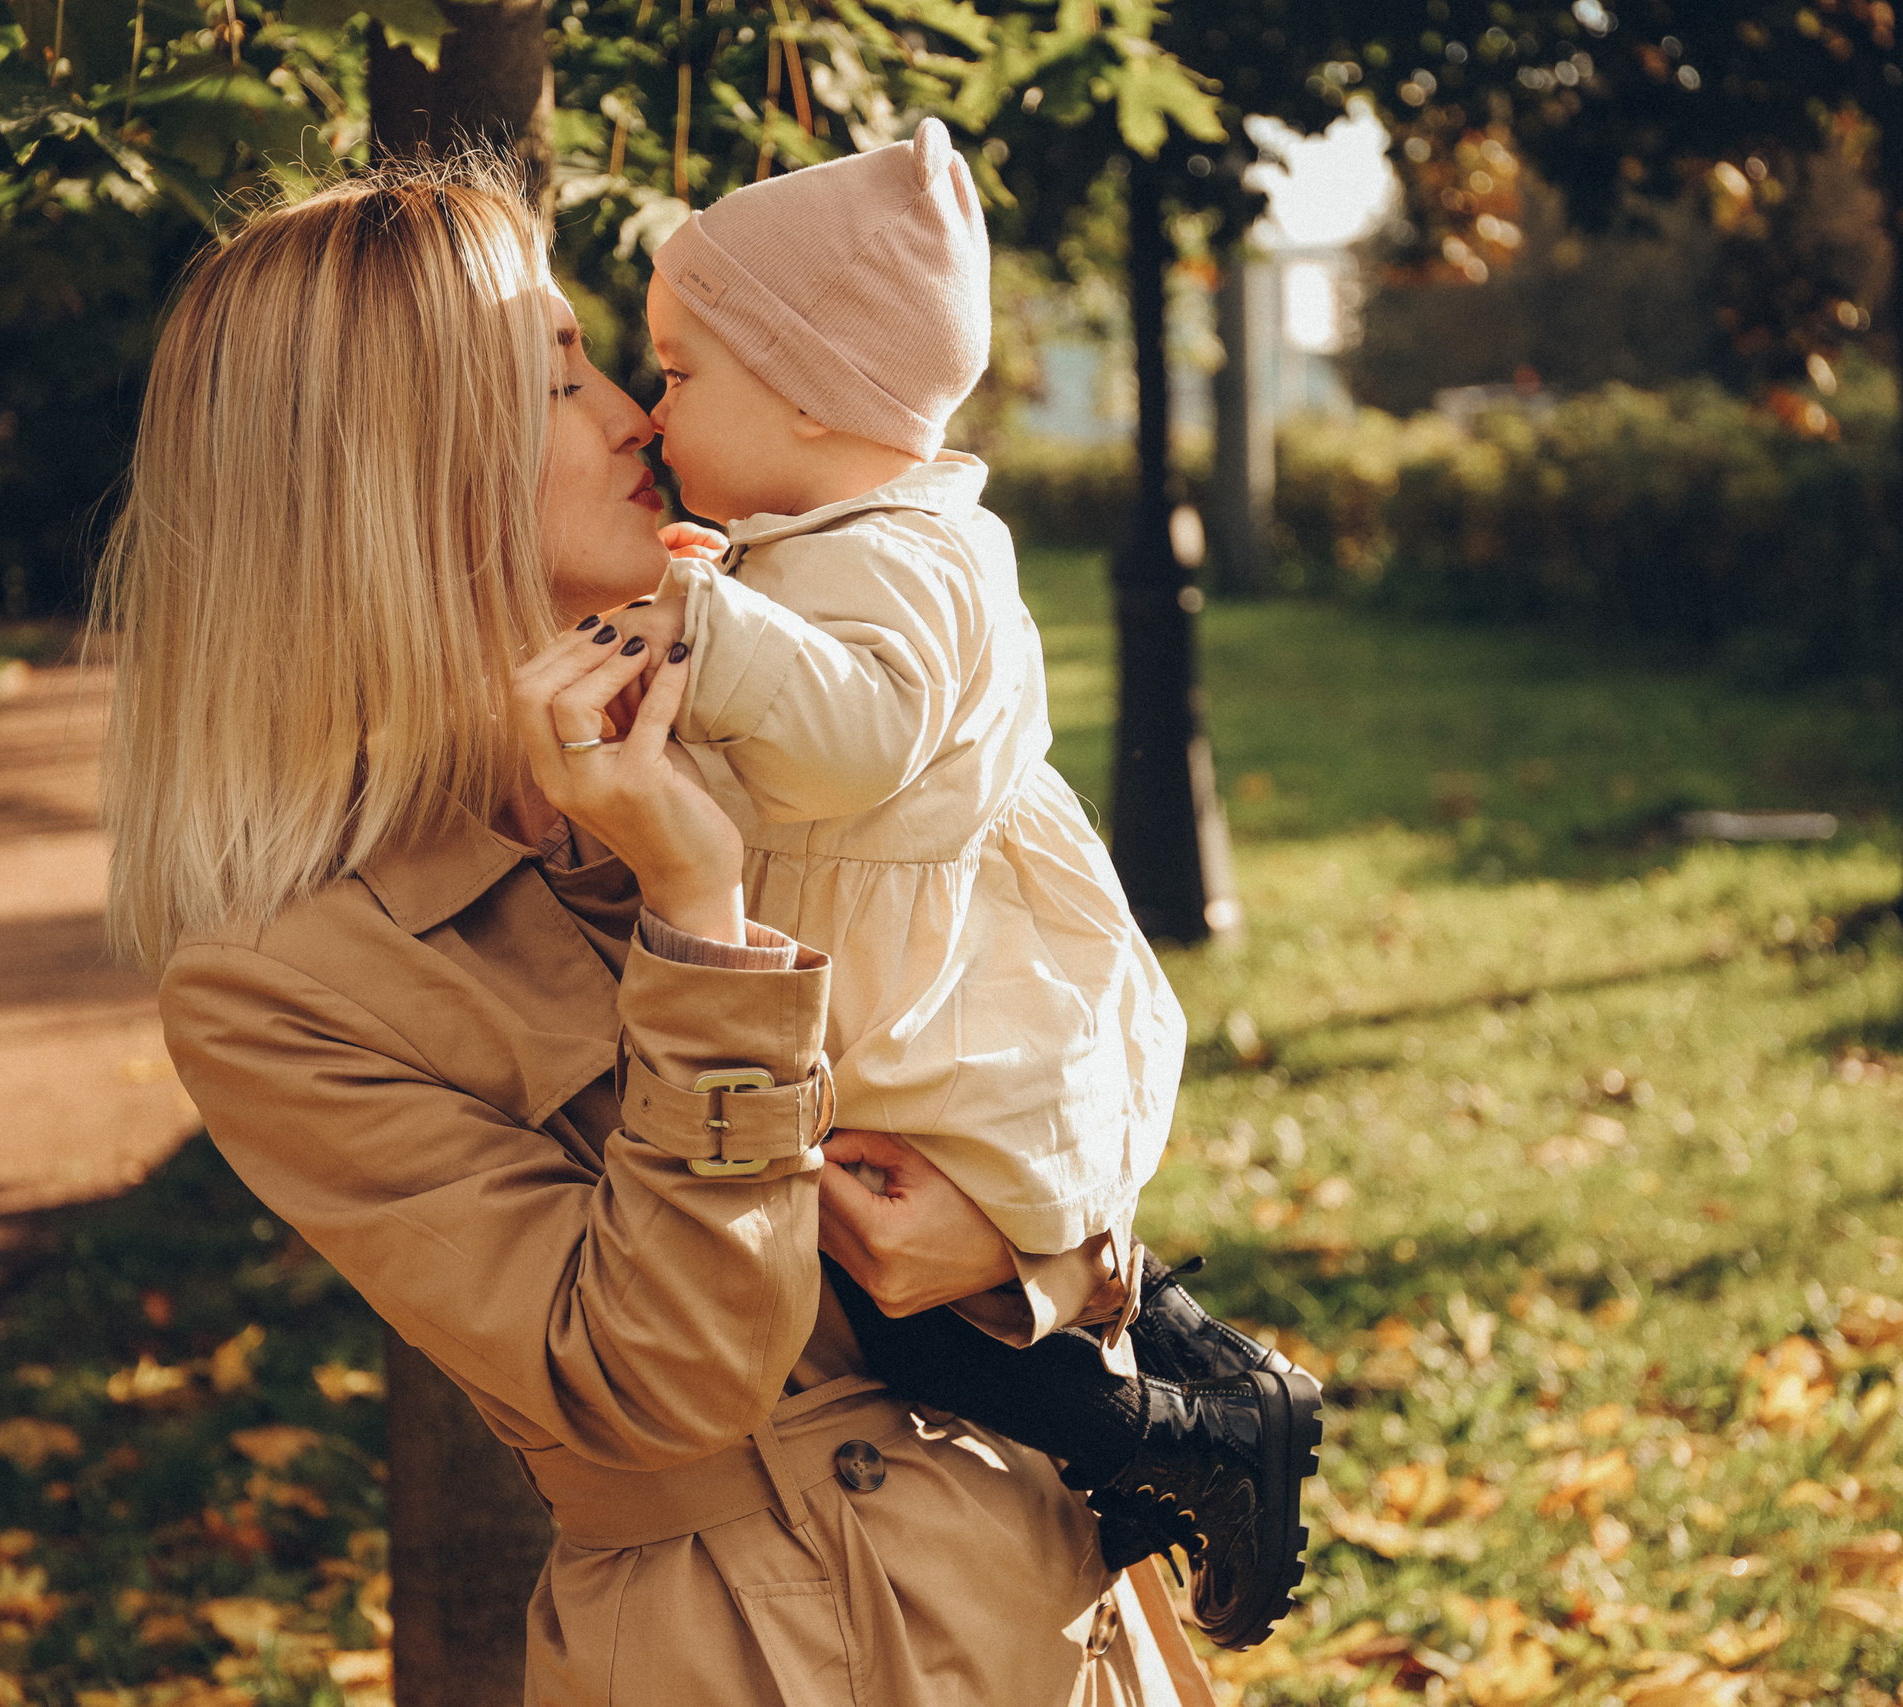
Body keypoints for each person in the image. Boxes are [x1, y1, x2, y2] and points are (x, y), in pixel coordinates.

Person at [99, 158, 1198, 1703]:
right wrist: (695, 919)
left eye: (611, 361)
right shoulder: (284, 983)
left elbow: (1054, 1013)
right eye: (560, 381)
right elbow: (653, 1381)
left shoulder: (782, 724)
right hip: (779, 1650)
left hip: (1051, 1588)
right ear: (401, 477)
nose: (632, 414)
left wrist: (1047, 1248)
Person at [609, 121, 1322, 1645]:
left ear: (806, 386)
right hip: (889, 975)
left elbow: (850, 748)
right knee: (927, 1284)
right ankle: (1199, 1380)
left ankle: (1191, 1435)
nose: (651, 410)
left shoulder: (916, 553)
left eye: (680, 373)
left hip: (946, 995)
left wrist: (704, 626)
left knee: (914, 1314)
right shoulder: (823, 541)